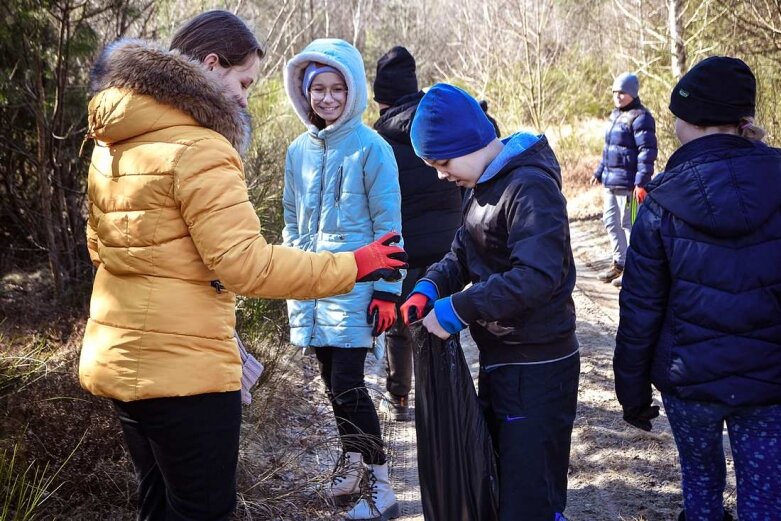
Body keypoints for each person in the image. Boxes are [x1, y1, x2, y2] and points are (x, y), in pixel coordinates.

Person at [79, 12, 406, 521]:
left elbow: (100, 248)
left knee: (157, 503)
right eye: (244, 81)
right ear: (211, 65)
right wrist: (355, 265)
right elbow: (247, 266)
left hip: (119, 358)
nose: (246, 97)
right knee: (203, 509)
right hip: (185, 372)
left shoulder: (116, 137)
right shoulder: (202, 147)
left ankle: (369, 469)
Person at [401, 83, 580, 521]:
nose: (441, 174)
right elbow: (463, 253)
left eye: (442, 162)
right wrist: (430, 287)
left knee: (528, 491)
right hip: (504, 359)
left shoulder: (529, 188)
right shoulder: (481, 184)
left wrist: (458, 310)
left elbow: (535, 277)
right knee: (506, 477)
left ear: (467, 141)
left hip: (539, 363)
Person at [613, 56, 781, 521]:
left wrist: (633, 393)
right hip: (769, 383)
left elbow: (641, 310)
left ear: (689, 121)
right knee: (766, 497)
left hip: (689, 384)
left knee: (702, 488)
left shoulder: (662, 199)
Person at [282, 38, 402, 520]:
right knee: (332, 385)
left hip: (356, 289)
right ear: (305, 93)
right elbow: (291, 219)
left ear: (351, 91)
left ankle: (381, 483)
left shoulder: (373, 148)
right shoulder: (297, 151)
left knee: (350, 385)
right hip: (310, 289)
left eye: (337, 89)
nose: (327, 98)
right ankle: (352, 463)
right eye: (318, 90)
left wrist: (389, 290)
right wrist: (292, 271)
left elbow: (389, 224)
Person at [371, 46, 463, 422]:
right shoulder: (437, 123)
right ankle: (443, 396)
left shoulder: (377, 140)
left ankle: (400, 398)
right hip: (447, 245)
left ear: (381, 99)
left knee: (398, 324)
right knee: (440, 317)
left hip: (403, 246)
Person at [592, 72, 657, 287]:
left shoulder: (641, 117)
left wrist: (641, 183)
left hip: (629, 184)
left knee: (628, 225)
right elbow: (608, 148)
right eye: (615, 92)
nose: (617, 96)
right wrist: (599, 171)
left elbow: (646, 152)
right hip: (611, 182)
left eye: (622, 92)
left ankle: (633, 270)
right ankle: (619, 264)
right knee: (611, 222)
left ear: (632, 93)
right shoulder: (615, 115)